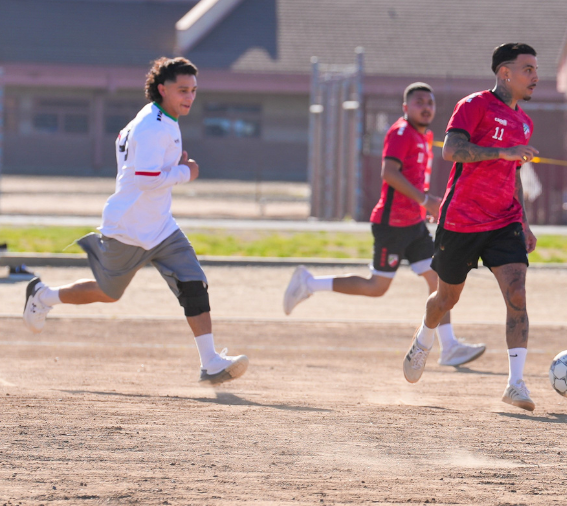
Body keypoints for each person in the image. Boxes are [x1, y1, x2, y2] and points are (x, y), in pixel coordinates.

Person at [21, 57, 250, 385]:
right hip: (128, 228)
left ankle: (210, 362)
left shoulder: (162, 118)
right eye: (182, 89)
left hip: (160, 226)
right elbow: (145, 179)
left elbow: (147, 167)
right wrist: (187, 171)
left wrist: (174, 165)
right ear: (162, 89)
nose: (189, 96)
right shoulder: (153, 126)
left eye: (194, 91)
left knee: (193, 283)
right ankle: (43, 295)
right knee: (108, 293)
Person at [282, 82, 486, 367]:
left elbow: (414, 177)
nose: (426, 107)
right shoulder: (401, 132)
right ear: (406, 107)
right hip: (392, 225)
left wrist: (423, 205)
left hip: (414, 224)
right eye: (419, 102)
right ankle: (310, 283)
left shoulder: (424, 136)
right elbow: (389, 173)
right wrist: (426, 200)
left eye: (430, 102)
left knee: (438, 281)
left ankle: (449, 346)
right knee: (377, 287)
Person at [401, 43, 540, 411]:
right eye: (528, 69)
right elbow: (451, 150)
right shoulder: (473, 105)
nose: (535, 77)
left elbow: (515, 176)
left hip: (504, 221)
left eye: (535, 70)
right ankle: (425, 339)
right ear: (505, 73)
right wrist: (502, 152)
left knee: (518, 295)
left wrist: (523, 221)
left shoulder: (524, 121)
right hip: (461, 219)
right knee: (446, 298)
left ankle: (516, 384)